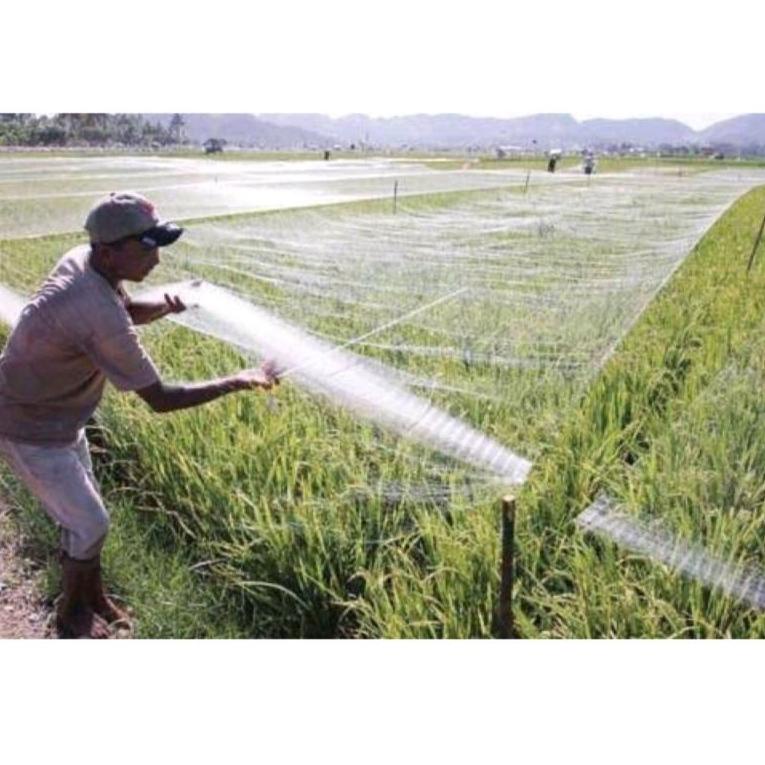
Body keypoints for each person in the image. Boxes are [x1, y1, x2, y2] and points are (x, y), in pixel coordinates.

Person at [0, 191, 280, 638]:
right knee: (91, 522)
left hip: (59, 415)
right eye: (147, 247)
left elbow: (125, 308)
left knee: (84, 522)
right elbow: (161, 398)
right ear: (111, 251)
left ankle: (93, 596)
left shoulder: (86, 260)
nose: (157, 260)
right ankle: (71, 613)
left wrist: (173, 301)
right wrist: (238, 380)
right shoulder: (91, 310)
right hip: (27, 427)